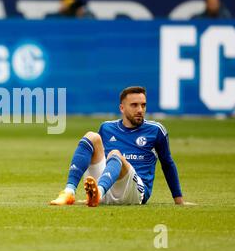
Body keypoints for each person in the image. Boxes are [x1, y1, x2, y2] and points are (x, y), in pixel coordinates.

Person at [50, 86, 187, 207]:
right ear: (122, 108)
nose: (140, 110)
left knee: (115, 154)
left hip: (136, 191)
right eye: (134, 105)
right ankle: (69, 192)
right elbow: (94, 156)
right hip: (107, 185)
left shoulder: (156, 130)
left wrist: (179, 200)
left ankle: (97, 194)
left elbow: (167, 163)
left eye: (143, 105)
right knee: (92, 136)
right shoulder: (107, 127)